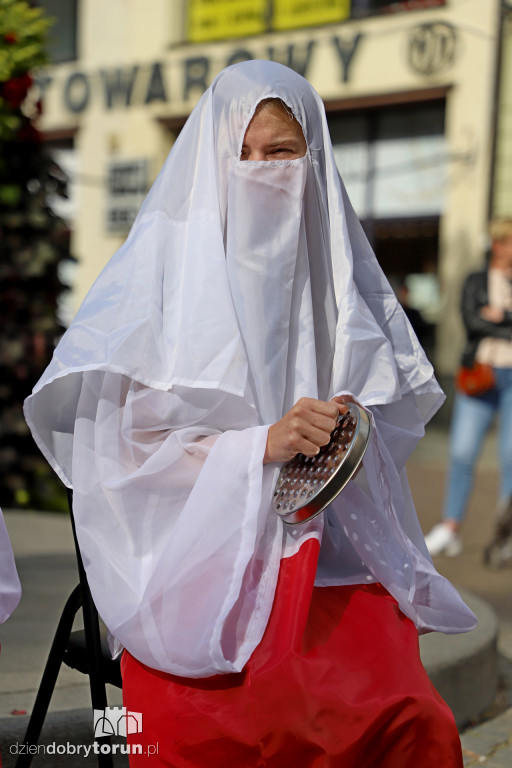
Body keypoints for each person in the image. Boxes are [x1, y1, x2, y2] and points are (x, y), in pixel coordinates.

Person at [24, 61, 476, 767]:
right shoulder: (157, 290)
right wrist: (257, 447)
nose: (261, 172)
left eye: (282, 153)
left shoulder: (340, 287)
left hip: (323, 564)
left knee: (405, 716)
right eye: (243, 155)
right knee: (232, 728)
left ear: (315, 160)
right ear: (211, 163)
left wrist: (348, 431)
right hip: (189, 567)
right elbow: (119, 456)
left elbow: (385, 425)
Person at [425, 219, 512, 557]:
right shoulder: (476, 279)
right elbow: (471, 320)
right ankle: (450, 527)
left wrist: (498, 317)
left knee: (509, 457)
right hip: (479, 374)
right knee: (461, 452)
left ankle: (505, 535)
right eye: (505, 241)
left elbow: (486, 321)